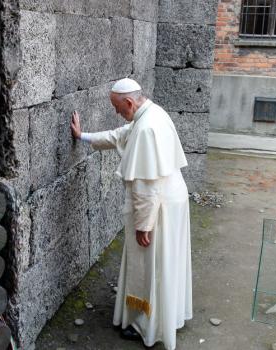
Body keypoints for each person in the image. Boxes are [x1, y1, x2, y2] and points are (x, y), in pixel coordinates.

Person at [70, 78, 193, 350]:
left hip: (158, 207)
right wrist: (83, 136)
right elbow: (119, 135)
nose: (116, 112)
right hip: (172, 200)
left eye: (117, 107)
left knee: (152, 267)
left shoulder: (147, 126)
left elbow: (147, 187)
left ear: (128, 102)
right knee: (166, 262)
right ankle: (167, 317)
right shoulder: (150, 113)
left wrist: (143, 226)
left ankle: (148, 327)